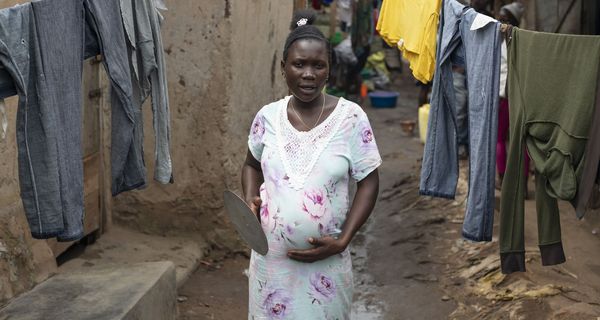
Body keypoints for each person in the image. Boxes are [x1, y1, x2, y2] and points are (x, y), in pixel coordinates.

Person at [241, 10, 382, 318]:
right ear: (283, 68)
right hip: (271, 266)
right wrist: (251, 198)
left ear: (329, 70)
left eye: (318, 65)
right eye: (299, 64)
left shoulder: (352, 118)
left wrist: (344, 239)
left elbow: (369, 181)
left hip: (326, 266)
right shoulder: (267, 117)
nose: (308, 74)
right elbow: (251, 164)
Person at [496, 2, 530, 194]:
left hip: (504, 98)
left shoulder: (500, 43)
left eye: (504, 19)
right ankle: (523, 186)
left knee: (500, 139)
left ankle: (502, 180)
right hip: (521, 97)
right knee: (522, 141)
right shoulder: (525, 42)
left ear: (512, 21)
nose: (501, 23)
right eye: (500, 19)